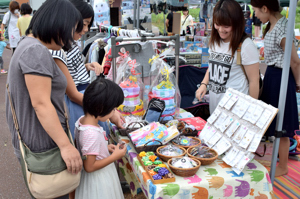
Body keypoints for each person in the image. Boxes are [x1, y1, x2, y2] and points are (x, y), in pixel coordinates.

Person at [5, 1, 83, 198]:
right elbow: (41, 104)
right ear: (58, 24)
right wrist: (66, 146)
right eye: (70, 30)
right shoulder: (35, 51)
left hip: (36, 141)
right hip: (43, 145)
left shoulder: (27, 44)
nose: (69, 39)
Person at [50, 0, 124, 139]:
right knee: (89, 145)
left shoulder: (68, 43)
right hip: (79, 102)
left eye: (88, 25)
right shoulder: (57, 49)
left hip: (85, 98)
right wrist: (109, 111)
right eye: (84, 24)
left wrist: (86, 66)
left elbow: (67, 70)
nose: (86, 30)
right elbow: (72, 93)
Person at [251, 0, 300, 177]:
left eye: (256, 10)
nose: (255, 14)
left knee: (283, 126)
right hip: (274, 76)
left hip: (281, 78)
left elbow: (294, 60)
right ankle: (275, 159)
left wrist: (298, 83)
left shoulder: (282, 26)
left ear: (265, 8)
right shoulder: (274, 25)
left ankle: (284, 166)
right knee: (273, 122)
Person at [196, 0, 260, 113]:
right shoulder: (215, 42)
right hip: (215, 109)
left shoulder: (246, 45)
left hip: (236, 111)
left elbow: (254, 81)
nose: (221, 30)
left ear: (237, 23)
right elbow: (212, 67)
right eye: (217, 24)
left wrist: (250, 110)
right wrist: (203, 84)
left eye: (226, 26)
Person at [75, 76, 126, 199]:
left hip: (94, 178)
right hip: (98, 180)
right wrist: (114, 156)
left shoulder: (82, 121)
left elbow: (85, 149)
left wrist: (104, 147)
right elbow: (89, 166)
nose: (114, 112)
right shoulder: (91, 133)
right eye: (113, 109)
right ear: (100, 108)